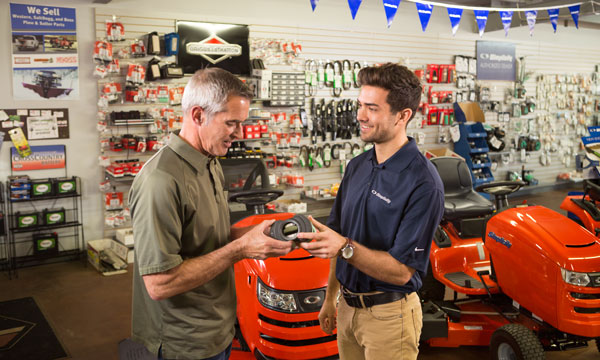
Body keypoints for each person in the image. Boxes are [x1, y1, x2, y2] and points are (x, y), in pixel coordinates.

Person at [129, 67, 293, 360]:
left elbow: (207, 238)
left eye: (241, 123)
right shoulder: (160, 180)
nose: (240, 134)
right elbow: (160, 283)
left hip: (218, 328)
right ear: (197, 116)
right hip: (184, 343)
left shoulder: (210, 161)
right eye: (231, 123)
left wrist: (258, 235)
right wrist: (241, 249)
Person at [297, 63, 444, 360]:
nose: (361, 116)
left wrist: (344, 248)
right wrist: (331, 297)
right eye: (360, 105)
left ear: (403, 116)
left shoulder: (424, 183)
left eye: (372, 108)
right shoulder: (358, 166)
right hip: (348, 308)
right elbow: (337, 236)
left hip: (390, 317)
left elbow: (402, 271)